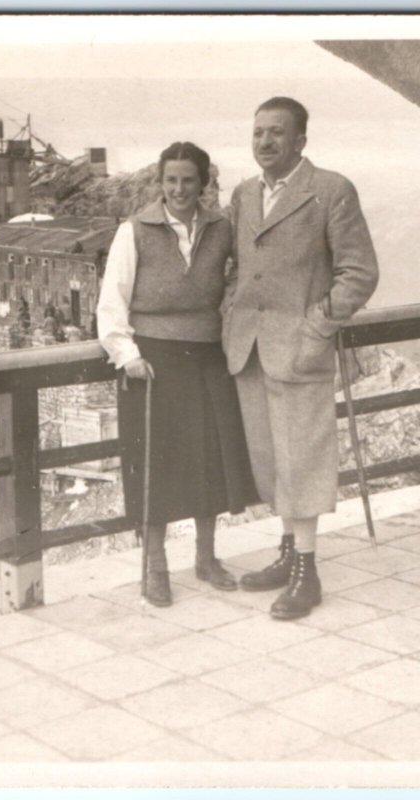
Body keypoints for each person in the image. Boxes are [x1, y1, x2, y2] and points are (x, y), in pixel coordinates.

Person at [223, 97, 379, 620]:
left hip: (301, 349)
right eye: (258, 133)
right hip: (249, 349)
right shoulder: (244, 195)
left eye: (276, 133)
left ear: (301, 141)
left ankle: (307, 572)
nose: (265, 142)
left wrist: (316, 327)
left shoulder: (330, 190)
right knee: (271, 461)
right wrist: (231, 313)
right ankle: (288, 554)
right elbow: (237, 269)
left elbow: (359, 273)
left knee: (303, 461)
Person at [97, 141, 258, 607]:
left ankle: (206, 558)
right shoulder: (135, 231)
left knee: (209, 458)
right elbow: (112, 301)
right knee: (158, 464)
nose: (179, 189)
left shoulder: (221, 228)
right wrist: (126, 353)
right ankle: (155, 568)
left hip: (207, 355)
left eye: (189, 180)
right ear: (160, 182)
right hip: (154, 363)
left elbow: (242, 278)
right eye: (171, 180)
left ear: (203, 183)